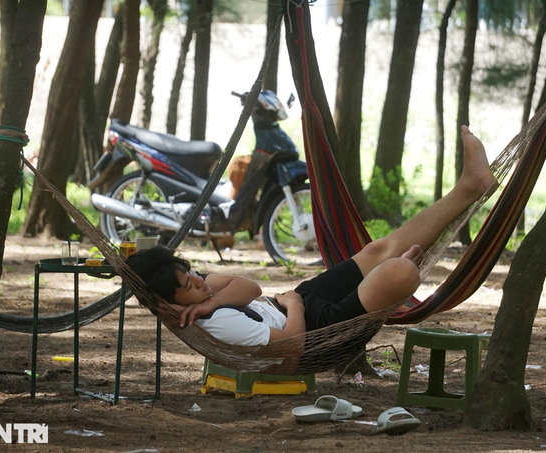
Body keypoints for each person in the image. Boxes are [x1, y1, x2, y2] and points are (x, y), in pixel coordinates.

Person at [126, 126, 497, 347]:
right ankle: (401, 274)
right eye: (187, 285)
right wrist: (296, 307)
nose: (196, 280)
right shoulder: (219, 325)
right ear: (170, 304)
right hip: (320, 329)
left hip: (300, 299)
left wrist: (207, 299)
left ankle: (470, 187)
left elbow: (250, 287)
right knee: (398, 271)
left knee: (379, 250)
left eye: (189, 272)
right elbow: (293, 344)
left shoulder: (202, 299)